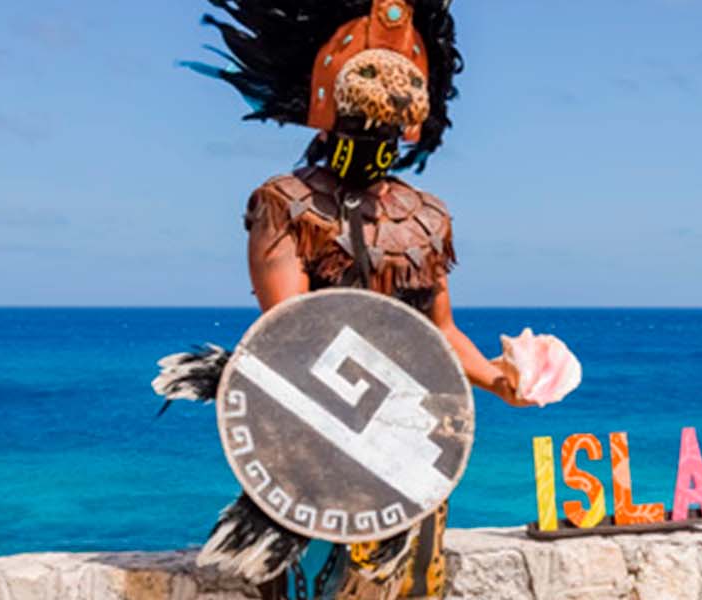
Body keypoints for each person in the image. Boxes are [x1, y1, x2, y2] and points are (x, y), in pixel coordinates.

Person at [164, 1, 542, 597]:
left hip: (408, 442)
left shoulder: (426, 219)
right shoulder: (286, 205)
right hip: (315, 431)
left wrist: (499, 381)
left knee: (407, 585)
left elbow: (440, 331)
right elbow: (292, 327)